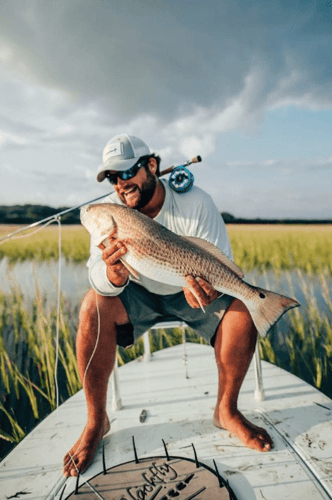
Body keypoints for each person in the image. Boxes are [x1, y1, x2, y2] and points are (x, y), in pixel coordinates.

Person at [63, 134, 273, 477]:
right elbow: (96, 276)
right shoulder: (106, 214)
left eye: (127, 172)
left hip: (190, 291)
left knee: (242, 309)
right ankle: (96, 421)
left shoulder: (196, 203)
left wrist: (212, 292)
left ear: (152, 166)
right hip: (137, 291)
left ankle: (226, 411)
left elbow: (222, 266)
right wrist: (114, 275)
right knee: (91, 305)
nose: (120, 184)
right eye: (113, 178)